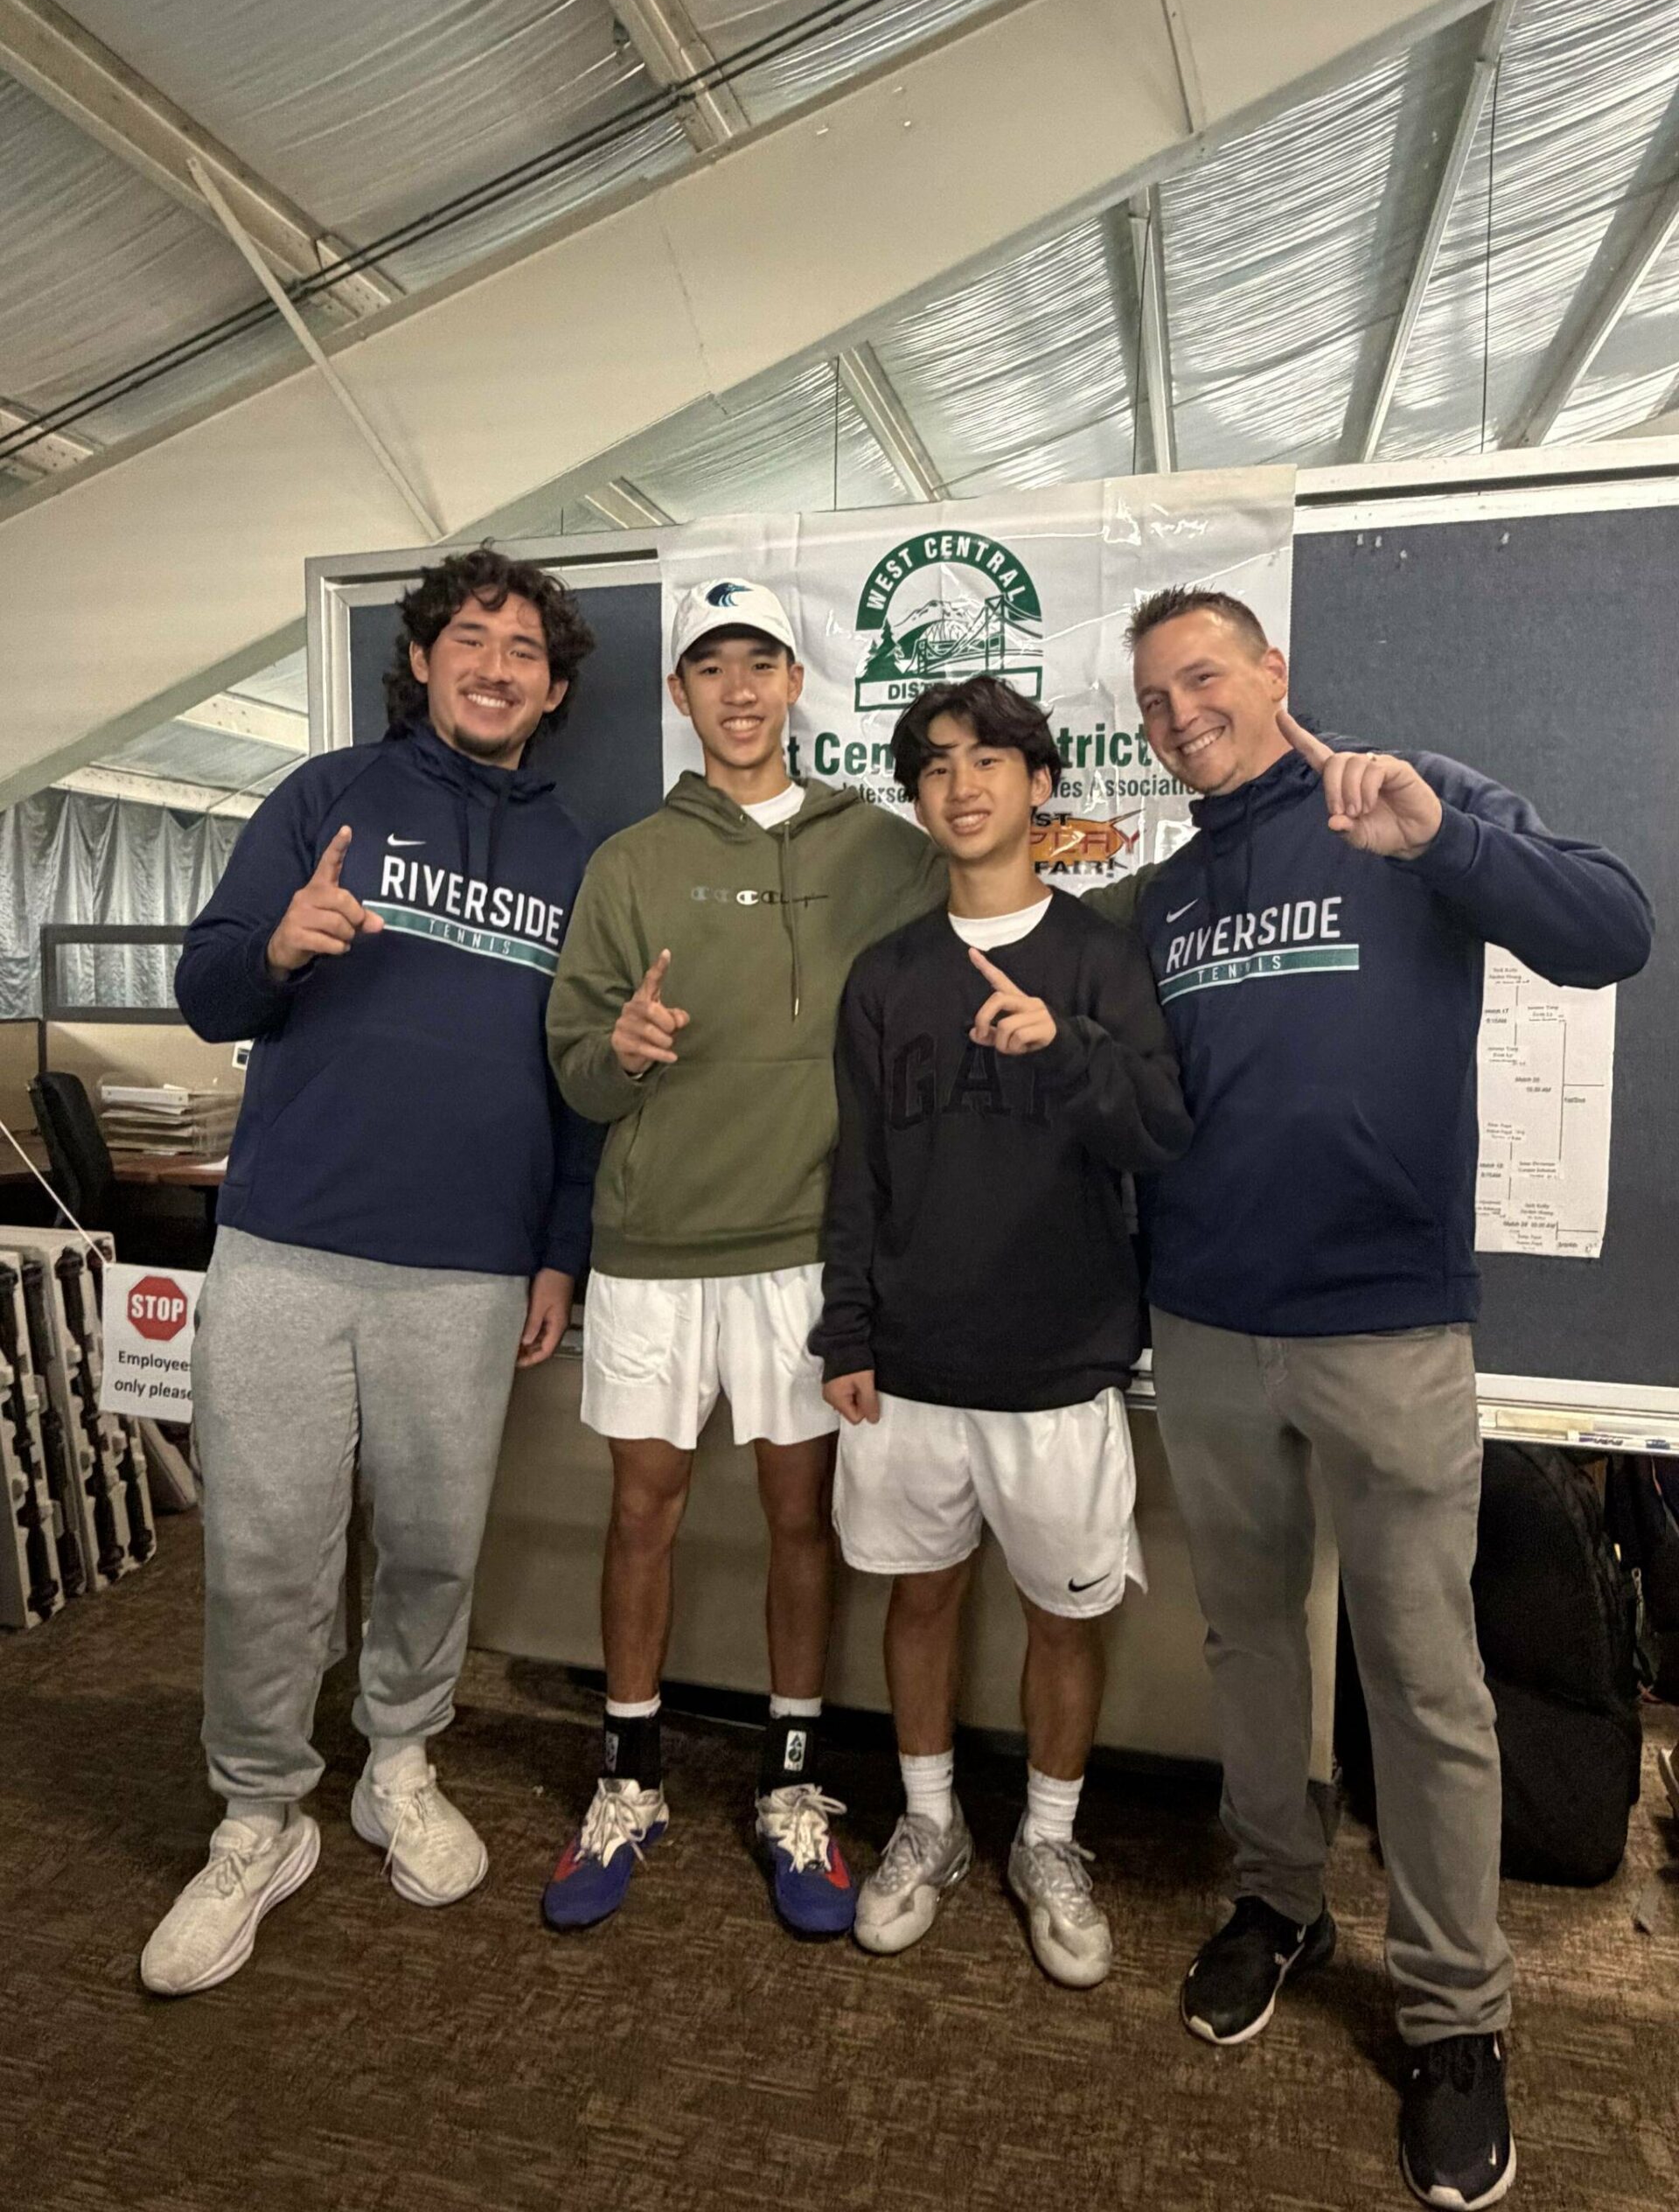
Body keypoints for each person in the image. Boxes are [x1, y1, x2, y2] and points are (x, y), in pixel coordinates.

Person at [1118, 584, 1653, 2207]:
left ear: (1275, 671)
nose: (1180, 710)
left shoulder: (1406, 800)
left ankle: (1455, 2016)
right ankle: (1281, 1900)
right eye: (1152, 698)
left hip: (1390, 1330)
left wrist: (1446, 844)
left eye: (1204, 675)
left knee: (1426, 1681)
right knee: (1251, 1642)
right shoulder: (1163, 900)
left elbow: (1612, 930)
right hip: (1206, 1331)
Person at [143, 547, 598, 1997]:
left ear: (556, 686)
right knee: (269, 1547)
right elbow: (207, 986)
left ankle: (397, 1760)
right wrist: (275, 943)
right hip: (288, 1240)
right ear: (422, 661)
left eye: (524, 648)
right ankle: (259, 1813)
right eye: (472, 637)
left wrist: (555, 1252)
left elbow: (578, 1079)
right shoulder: (324, 797)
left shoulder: (580, 851)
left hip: (467, 1268)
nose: (496, 664)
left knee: (434, 1543)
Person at [542, 578, 944, 1936]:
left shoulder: (881, 849)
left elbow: (1004, 911)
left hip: (803, 1251)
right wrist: (621, 1051)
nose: (737, 686)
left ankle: (790, 1784)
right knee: (643, 1511)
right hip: (653, 1250)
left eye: (761, 659)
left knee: (797, 1521)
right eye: (709, 664)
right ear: (680, 697)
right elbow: (576, 1072)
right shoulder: (628, 861)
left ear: (795, 683)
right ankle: (629, 1771)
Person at [812, 676, 1191, 1984]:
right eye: (932, 767)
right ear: (916, 802)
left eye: (988, 760)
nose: (961, 785)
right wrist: (847, 1329)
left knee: (1061, 1618)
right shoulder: (885, 975)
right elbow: (856, 1169)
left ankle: (1047, 1841)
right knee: (919, 1602)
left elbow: (1158, 1135)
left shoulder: (1103, 957)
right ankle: (928, 1826)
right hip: (910, 1363)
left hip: (1060, 1363)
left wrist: (1065, 1044)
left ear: (1040, 785)